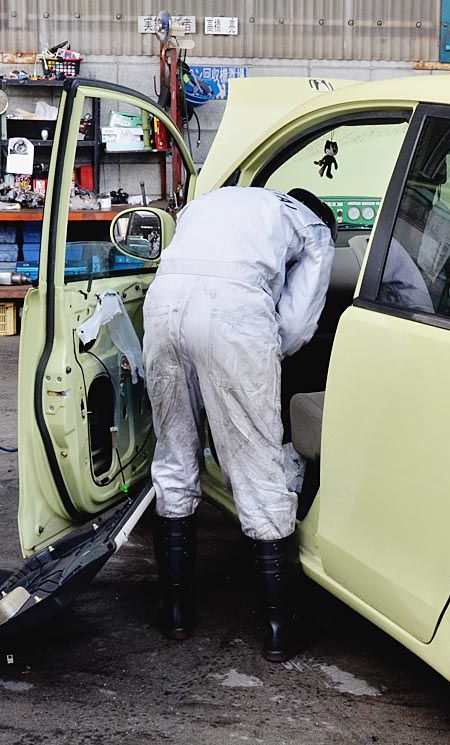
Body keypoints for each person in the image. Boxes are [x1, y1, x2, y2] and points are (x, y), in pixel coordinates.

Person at [143, 186, 337, 662]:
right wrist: (265, 357)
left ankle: (176, 612)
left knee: (174, 455)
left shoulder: (214, 202)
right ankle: (279, 626)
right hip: (232, 316)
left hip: (162, 307)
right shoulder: (312, 226)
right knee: (257, 467)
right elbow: (298, 323)